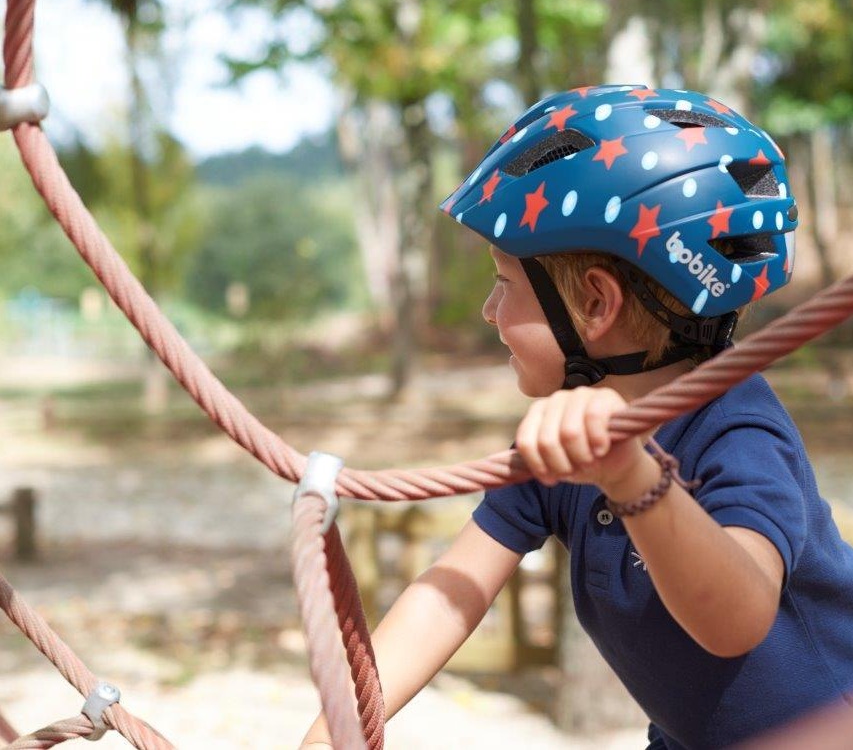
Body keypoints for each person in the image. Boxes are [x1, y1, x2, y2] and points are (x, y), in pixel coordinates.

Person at [300, 85, 853, 749]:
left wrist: (631, 479)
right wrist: (334, 731)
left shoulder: (734, 426)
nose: (486, 311)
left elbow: (736, 618)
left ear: (595, 302)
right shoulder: (560, 439)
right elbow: (451, 593)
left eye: (502, 284)